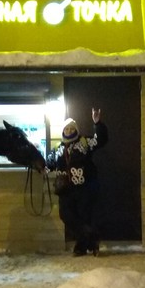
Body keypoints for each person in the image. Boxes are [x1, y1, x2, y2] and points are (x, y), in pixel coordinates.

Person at [46, 108, 108, 256]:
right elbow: (49, 164)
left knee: (84, 216)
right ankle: (93, 238)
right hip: (65, 190)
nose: (68, 131)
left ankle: (82, 247)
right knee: (66, 215)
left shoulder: (84, 142)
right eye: (66, 129)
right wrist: (41, 166)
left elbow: (101, 140)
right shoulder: (58, 149)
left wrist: (97, 123)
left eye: (71, 128)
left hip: (84, 188)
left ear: (76, 130)